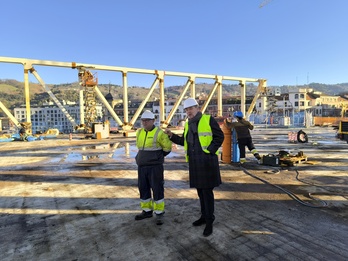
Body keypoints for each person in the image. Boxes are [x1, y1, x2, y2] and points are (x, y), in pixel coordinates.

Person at [165, 98, 224, 237]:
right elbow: (184, 142)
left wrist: (210, 150)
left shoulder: (208, 119)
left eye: (190, 108)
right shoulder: (188, 124)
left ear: (197, 108)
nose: (188, 112)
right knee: (200, 192)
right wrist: (171, 136)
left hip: (207, 162)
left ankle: (209, 221)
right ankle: (204, 216)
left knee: (207, 193)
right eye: (186, 110)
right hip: (194, 162)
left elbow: (219, 136)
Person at [135, 110, 172, 225]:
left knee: (157, 189)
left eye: (147, 120)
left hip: (155, 167)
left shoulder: (160, 133)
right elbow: (140, 148)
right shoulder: (139, 132)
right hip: (142, 167)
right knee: (143, 188)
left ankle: (159, 213)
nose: (144, 123)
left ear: (153, 121)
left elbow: (167, 148)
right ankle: (146, 211)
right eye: (143, 120)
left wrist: (156, 157)